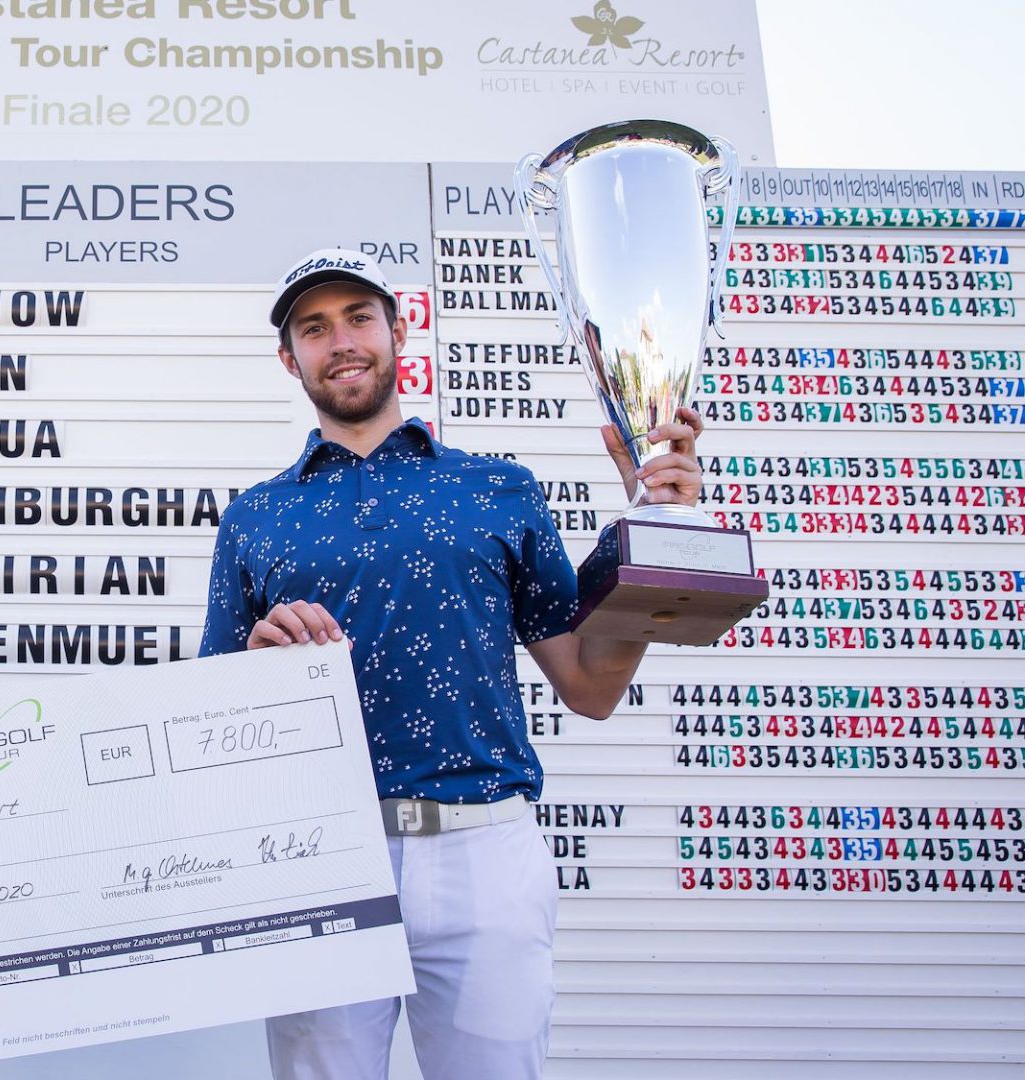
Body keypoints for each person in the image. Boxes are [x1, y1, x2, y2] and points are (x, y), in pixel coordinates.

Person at [199, 249, 705, 1080]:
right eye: (314, 328)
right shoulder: (255, 517)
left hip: (485, 851)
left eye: (359, 317)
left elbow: (590, 686)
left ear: (399, 333)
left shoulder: (498, 488)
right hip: (315, 856)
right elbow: (209, 720)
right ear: (291, 359)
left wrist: (650, 535)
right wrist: (258, 670)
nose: (342, 342)